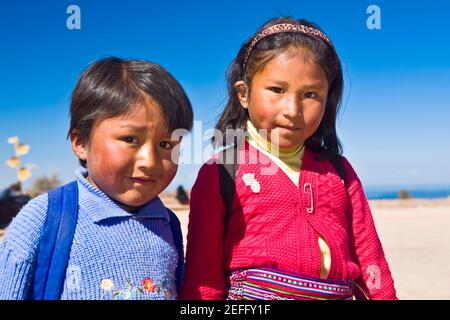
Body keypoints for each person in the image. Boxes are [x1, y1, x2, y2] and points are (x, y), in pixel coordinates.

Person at [180, 17, 397, 300]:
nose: (293, 109)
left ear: (328, 99)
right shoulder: (221, 173)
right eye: (277, 90)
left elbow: (370, 258)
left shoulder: (339, 172)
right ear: (244, 93)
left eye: (310, 94)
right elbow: (203, 276)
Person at [0, 57, 193, 300]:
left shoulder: (168, 224)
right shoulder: (44, 217)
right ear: (80, 142)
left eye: (165, 144)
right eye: (131, 139)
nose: (150, 161)